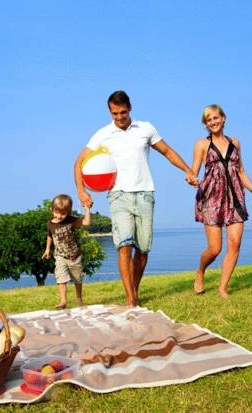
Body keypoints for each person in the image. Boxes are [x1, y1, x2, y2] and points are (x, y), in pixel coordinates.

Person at [74, 90, 198, 307]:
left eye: (123, 112)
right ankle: (131, 299)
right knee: (124, 246)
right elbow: (78, 163)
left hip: (145, 194)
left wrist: (187, 170)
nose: (119, 117)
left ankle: (134, 292)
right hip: (118, 195)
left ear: (130, 108)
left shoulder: (146, 128)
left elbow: (167, 152)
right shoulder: (103, 134)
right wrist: (81, 191)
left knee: (142, 250)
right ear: (110, 112)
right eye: (115, 113)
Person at [192, 104, 252, 299]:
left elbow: (241, 171)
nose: (213, 122)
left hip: (235, 198)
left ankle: (223, 287)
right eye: (208, 120)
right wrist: (191, 179)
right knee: (215, 249)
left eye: (215, 117)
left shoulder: (235, 143)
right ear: (205, 124)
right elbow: (194, 171)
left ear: (223, 118)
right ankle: (200, 271)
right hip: (211, 198)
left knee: (235, 244)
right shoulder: (202, 144)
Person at [41, 194, 91, 309]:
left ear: (68, 212)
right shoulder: (50, 224)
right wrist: (47, 249)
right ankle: (63, 301)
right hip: (60, 256)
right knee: (61, 277)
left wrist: (87, 209)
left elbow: (87, 222)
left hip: (74, 256)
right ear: (52, 209)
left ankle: (79, 299)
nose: (59, 216)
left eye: (63, 214)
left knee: (77, 279)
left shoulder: (71, 220)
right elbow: (50, 236)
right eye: (56, 212)